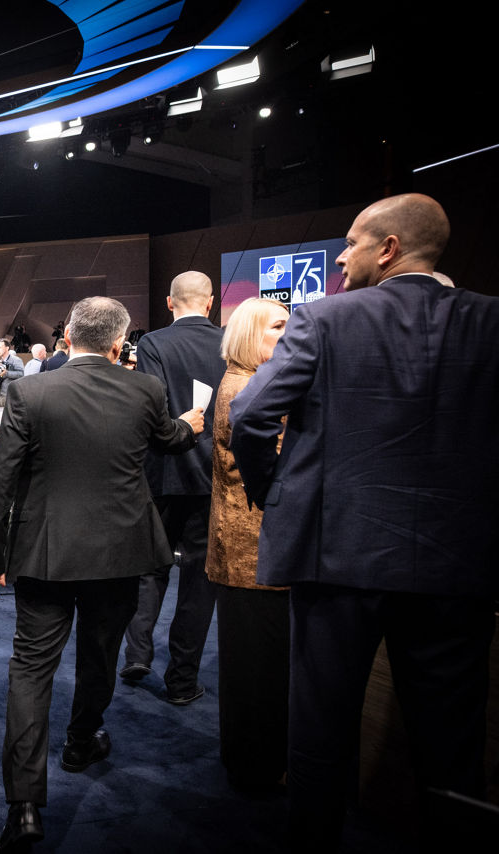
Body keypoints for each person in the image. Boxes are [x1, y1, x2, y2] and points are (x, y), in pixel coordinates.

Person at [229, 194, 499, 850]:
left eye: (351, 242)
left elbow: (250, 418)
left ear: (389, 249)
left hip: (336, 558)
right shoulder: (493, 323)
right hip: (460, 565)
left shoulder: (323, 319)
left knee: (320, 737)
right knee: (451, 750)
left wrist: (277, 501)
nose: (341, 256)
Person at [0, 298, 203, 854]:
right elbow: (169, 438)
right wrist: (192, 425)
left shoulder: (28, 391)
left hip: (43, 554)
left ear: (69, 336)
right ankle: (80, 741)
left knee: (30, 670)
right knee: (100, 654)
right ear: (120, 344)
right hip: (119, 553)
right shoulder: (145, 391)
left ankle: (24, 807)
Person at [121, 271, 224, 705]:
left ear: (169, 302)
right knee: (201, 583)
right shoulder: (229, 344)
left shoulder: (154, 344)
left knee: (149, 567)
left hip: (163, 474)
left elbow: (153, 406)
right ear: (212, 301)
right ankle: (182, 682)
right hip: (213, 477)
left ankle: (137, 654)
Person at [205, 298, 291, 791]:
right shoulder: (250, 386)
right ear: (250, 336)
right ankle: (258, 768)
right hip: (252, 552)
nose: (291, 334)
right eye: (278, 326)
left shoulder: (246, 381)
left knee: (252, 667)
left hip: (244, 550)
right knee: (258, 670)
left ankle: (250, 761)